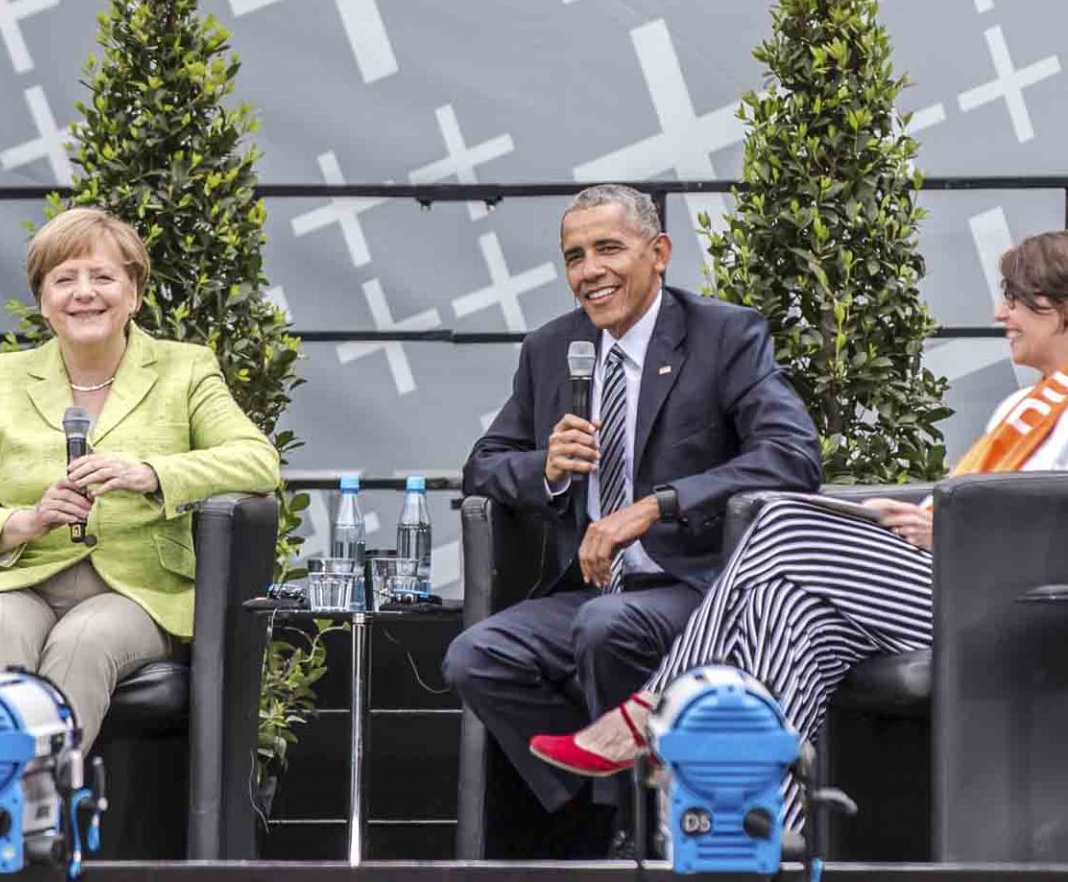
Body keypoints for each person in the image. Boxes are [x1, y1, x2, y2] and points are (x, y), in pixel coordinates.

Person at [530, 229, 1068, 833]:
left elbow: (1031, 525)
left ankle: (660, 709)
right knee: (781, 611)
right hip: (946, 582)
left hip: (1011, 603)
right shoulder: (1022, 408)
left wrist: (960, 535)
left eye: (1019, 301)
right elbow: (981, 506)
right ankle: (762, 832)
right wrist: (928, 523)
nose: (1002, 314)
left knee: (783, 516)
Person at [441, 184, 822, 855]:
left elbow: (791, 457)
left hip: (698, 588)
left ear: (660, 252)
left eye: (608, 248)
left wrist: (655, 506)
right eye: (575, 256)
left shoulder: (724, 335)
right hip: (591, 589)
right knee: (477, 657)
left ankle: (636, 833)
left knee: (606, 627)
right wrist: (546, 467)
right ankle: (603, 811)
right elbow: (484, 465)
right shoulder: (552, 349)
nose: (590, 271)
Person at [0, 208, 279, 750]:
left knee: (84, 640)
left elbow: (257, 461)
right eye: (64, 279)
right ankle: (10, 822)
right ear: (42, 300)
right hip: (9, 582)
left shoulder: (184, 368)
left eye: (103, 277)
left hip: (132, 593)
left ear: (135, 293)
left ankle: (20, 821)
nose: (83, 293)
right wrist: (27, 520)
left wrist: (152, 474)